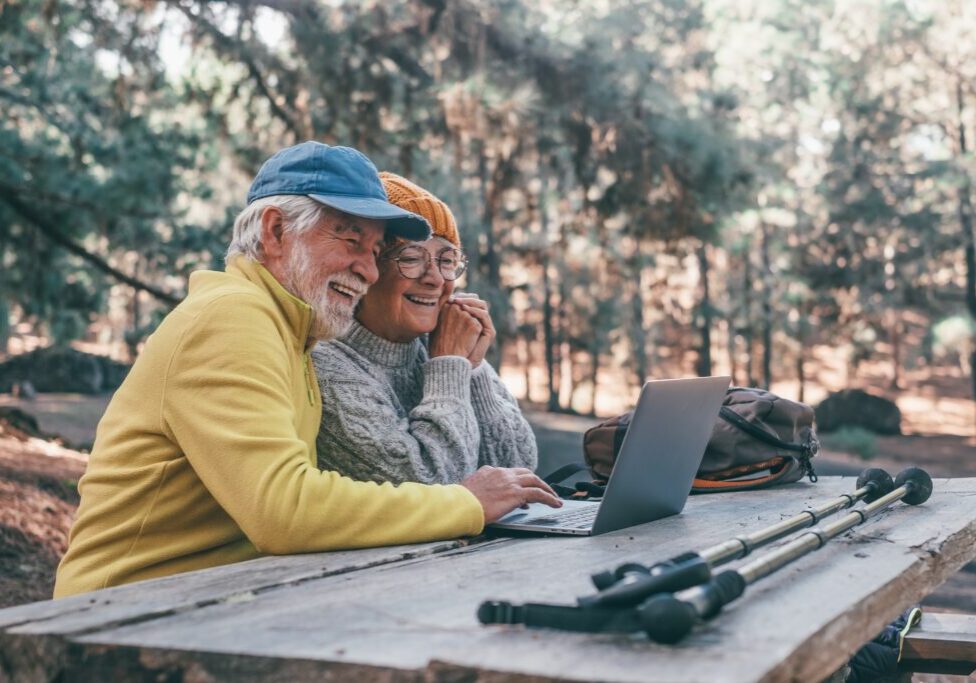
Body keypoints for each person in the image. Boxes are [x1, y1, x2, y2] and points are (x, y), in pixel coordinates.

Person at [54, 142, 560, 598]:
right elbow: (283, 509)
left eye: (375, 250)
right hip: (120, 612)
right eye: (351, 240)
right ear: (276, 231)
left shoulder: (290, 328)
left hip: (215, 598)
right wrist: (465, 504)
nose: (366, 267)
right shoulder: (232, 316)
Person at [313, 173, 537, 485]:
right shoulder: (326, 365)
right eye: (411, 258)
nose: (434, 279)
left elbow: (519, 470)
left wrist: (472, 368)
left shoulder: (441, 345)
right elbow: (434, 484)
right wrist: (449, 366)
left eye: (447, 261)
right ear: (367, 268)